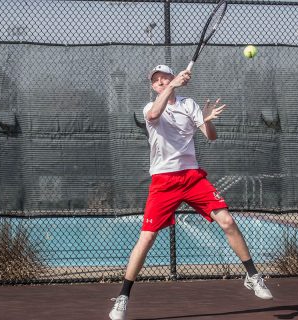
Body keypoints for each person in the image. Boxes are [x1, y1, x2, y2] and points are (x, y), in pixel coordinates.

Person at [109, 65, 272, 320]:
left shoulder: (189, 104)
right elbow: (153, 114)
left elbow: (211, 137)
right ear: (153, 86)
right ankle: (122, 297)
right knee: (147, 237)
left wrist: (206, 121)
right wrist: (173, 86)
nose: (161, 82)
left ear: (172, 78)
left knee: (227, 221)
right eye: (157, 81)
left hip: (192, 177)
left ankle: (253, 276)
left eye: (165, 78)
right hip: (163, 181)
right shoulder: (149, 107)